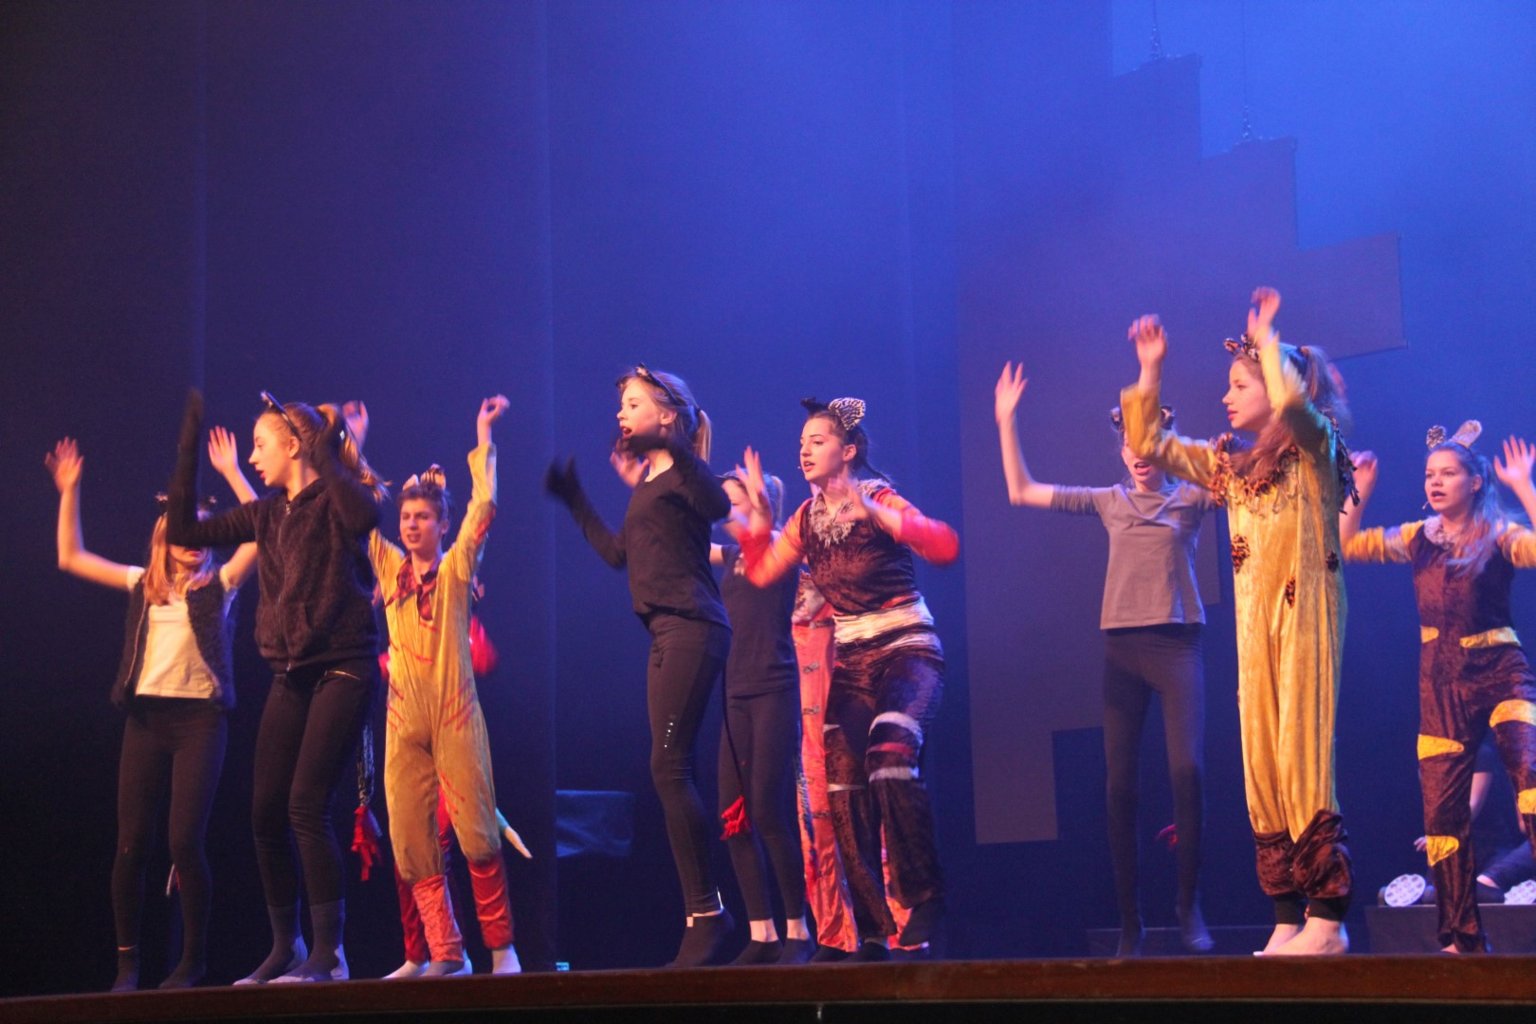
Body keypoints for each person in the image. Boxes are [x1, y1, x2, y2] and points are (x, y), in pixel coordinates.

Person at [1122, 288, 1355, 955]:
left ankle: (1328, 918)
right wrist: (1149, 370)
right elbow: (1149, 443)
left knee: (1302, 753)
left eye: (1239, 384)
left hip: (1305, 614)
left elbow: (1296, 410)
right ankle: (1286, 913)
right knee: (1262, 760)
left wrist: (1270, 342)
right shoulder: (1231, 468)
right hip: (1255, 633)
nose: (1226, 397)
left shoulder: (1316, 450)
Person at [166, 389, 387, 982]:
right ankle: (286, 946)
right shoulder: (266, 514)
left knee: (304, 805)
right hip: (291, 672)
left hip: (344, 665)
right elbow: (183, 528)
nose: (252, 456)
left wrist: (327, 450)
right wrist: (188, 447)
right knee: (265, 811)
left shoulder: (335, 499)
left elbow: (366, 517)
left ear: (293, 446)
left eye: (261, 444)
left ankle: (330, 954)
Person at [994, 362, 1213, 956]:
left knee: (1188, 773)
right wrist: (1006, 421)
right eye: (1130, 445)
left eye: (1150, 442)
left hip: (1178, 646)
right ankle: (1130, 922)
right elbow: (1022, 491)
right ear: (1122, 452)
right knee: (1119, 787)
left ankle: (1188, 903)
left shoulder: (1193, 498)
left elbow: (1247, 486)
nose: (1139, 454)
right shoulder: (1110, 502)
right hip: (1123, 651)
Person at [737, 397, 958, 960]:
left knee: (890, 755)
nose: (804, 450)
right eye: (801, 442)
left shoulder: (878, 497)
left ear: (849, 450)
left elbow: (944, 546)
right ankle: (875, 927)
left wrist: (888, 519)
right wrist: (757, 525)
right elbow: (762, 572)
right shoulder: (805, 518)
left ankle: (924, 893)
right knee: (842, 790)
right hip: (854, 662)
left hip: (907, 649)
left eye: (817, 441)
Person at [48, 433, 257, 991]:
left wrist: (233, 473)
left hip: (199, 724)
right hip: (145, 722)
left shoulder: (221, 585)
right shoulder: (144, 585)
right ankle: (127, 963)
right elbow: (70, 556)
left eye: (203, 533)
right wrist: (69, 490)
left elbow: (262, 529)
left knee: (184, 841)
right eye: (185, 533)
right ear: (165, 538)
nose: (195, 544)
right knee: (130, 844)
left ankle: (192, 960)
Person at [545, 365, 735, 967]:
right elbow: (617, 554)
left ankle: (707, 914)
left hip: (693, 628)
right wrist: (575, 498)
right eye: (621, 405)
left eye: (632, 404)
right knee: (668, 770)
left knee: (668, 764)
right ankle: (704, 912)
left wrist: (672, 446)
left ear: (667, 415)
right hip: (664, 634)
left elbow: (718, 502)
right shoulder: (653, 483)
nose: (620, 414)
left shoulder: (683, 473)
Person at [1341, 427, 1536, 952]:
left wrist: (1523, 484)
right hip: (1440, 682)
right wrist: (1358, 489)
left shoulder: (1498, 534)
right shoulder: (1419, 537)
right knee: (1443, 816)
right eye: (1430, 474)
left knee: (1530, 778)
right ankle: (1461, 937)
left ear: (1475, 482)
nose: (1436, 482)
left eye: (1448, 473)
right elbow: (1346, 545)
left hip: (1500, 670)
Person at [347, 396, 523, 976]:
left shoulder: (455, 571)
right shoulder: (389, 568)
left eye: (422, 517)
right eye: (406, 517)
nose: (411, 524)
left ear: (442, 525)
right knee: (410, 841)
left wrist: (482, 436)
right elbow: (357, 511)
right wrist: (354, 445)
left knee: (477, 833)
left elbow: (484, 506)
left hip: (454, 715)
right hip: (403, 722)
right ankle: (444, 952)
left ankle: (501, 949)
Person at [712, 470, 813, 964]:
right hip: (735, 694)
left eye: (735, 502)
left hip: (775, 688)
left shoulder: (779, 550)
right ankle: (762, 933)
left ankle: (798, 930)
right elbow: (682, 537)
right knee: (734, 815)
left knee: (769, 810)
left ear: (760, 504)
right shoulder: (731, 555)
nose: (726, 512)